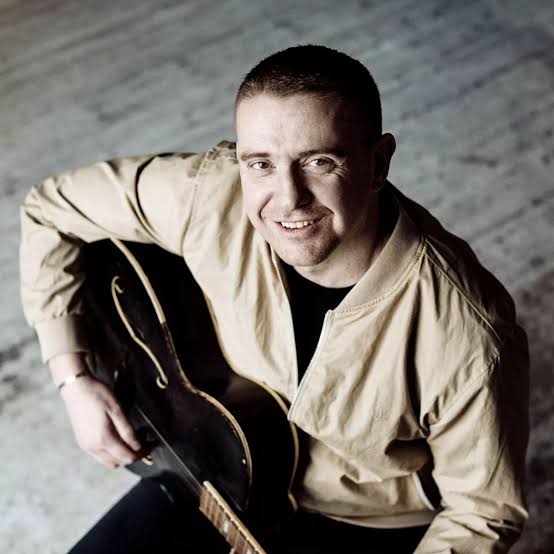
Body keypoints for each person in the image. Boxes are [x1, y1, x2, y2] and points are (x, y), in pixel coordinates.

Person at [20, 45, 529, 553]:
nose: (287, 198)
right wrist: (74, 378)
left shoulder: (469, 333)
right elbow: (50, 210)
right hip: (212, 463)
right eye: (261, 163)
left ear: (378, 163)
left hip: (359, 521)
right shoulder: (211, 196)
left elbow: (482, 512)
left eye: (319, 162)